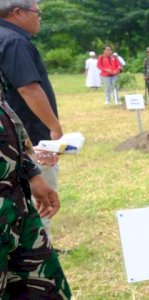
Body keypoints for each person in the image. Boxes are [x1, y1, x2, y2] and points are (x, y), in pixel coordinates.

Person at [0, 2, 71, 297]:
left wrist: (30, 171)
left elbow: (4, 108)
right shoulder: (13, 40)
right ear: (18, 12)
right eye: (37, 13)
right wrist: (53, 127)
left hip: (16, 189)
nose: (40, 19)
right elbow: (29, 89)